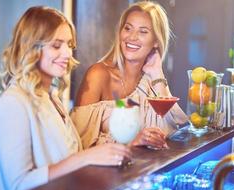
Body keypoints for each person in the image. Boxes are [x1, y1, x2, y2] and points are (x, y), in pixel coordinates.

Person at [0, 6, 132, 190]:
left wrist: (122, 146)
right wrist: (85, 158)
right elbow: (18, 186)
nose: (67, 54)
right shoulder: (13, 103)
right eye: (56, 45)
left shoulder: (51, 97)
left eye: (69, 44)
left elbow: (69, 156)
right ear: (32, 48)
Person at [71, 1, 187, 149]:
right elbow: (78, 143)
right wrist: (132, 142)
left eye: (143, 31)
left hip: (144, 170)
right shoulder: (98, 75)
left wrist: (157, 73)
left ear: (156, 41)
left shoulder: (152, 79)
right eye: (128, 28)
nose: (132, 37)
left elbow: (176, 129)